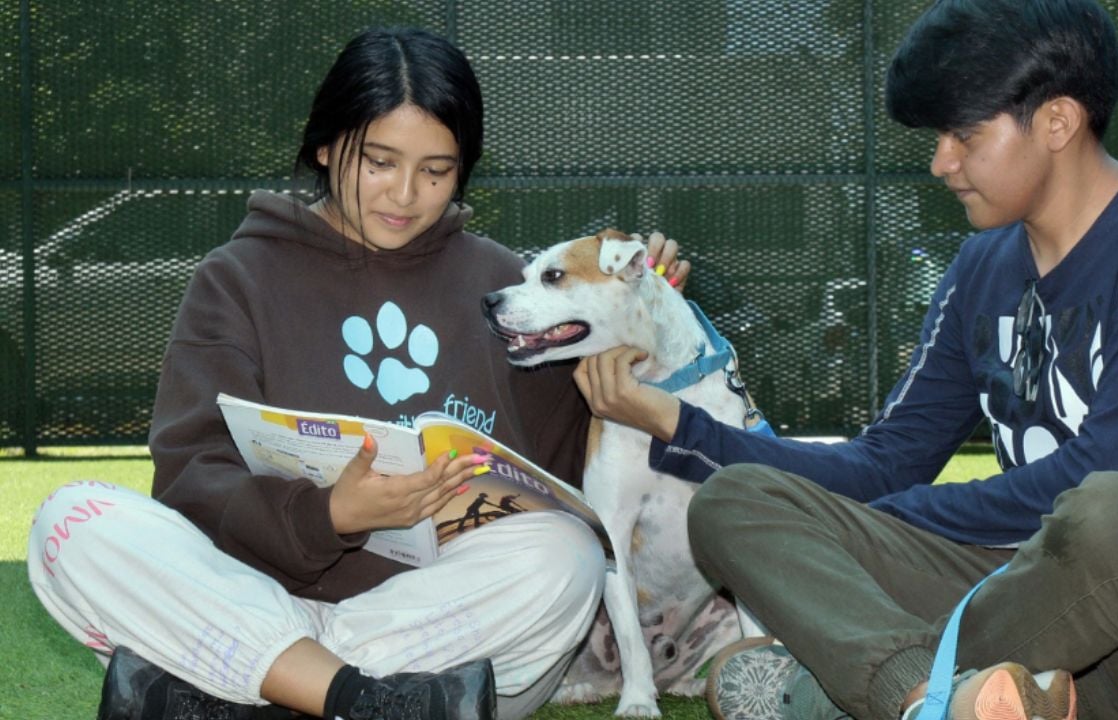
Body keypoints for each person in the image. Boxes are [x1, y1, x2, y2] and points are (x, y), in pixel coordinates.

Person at [573, 1, 1118, 719]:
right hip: (1044, 607)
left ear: (1058, 122)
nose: (942, 161)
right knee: (737, 499)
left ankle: (824, 693)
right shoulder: (981, 266)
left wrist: (886, 520)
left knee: (1110, 511)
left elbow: (1115, 471)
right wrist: (676, 423)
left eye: (964, 136)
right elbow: (886, 462)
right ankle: (941, 700)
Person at [27, 27, 689, 720]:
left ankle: (263, 692)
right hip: (262, 602)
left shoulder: (504, 287)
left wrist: (638, 318)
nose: (405, 194)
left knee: (566, 558)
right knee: (73, 521)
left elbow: (573, 479)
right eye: (379, 161)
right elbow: (191, 480)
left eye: (436, 170)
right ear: (323, 144)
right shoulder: (236, 279)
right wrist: (330, 515)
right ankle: (363, 702)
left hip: (426, 627)